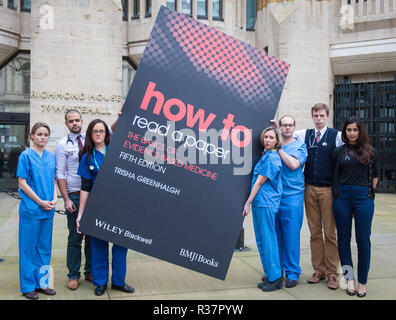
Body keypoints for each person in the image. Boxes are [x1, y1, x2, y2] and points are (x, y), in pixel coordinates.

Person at [76, 119, 134, 296]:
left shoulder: (118, 151)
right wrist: (81, 214)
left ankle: (118, 282)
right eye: (95, 131)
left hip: (119, 205)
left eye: (101, 131)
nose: (99, 134)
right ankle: (100, 283)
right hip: (97, 206)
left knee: (120, 246)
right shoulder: (87, 156)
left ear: (107, 134)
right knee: (99, 246)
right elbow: (85, 187)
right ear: (90, 135)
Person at [293, 103, 342, 290]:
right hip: (309, 189)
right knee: (314, 233)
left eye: (322, 115)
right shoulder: (305, 135)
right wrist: (274, 127)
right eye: (316, 115)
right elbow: (286, 134)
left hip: (328, 190)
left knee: (330, 233)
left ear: (327, 116)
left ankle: (332, 273)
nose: (319, 118)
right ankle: (318, 270)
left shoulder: (336, 136)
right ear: (312, 116)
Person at [332, 117, 378, 298]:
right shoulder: (338, 152)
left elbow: (375, 176)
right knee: (343, 239)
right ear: (344, 132)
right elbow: (335, 174)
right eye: (349, 130)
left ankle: (362, 282)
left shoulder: (371, 152)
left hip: (363, 199)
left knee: (363, 240)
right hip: (342, 198)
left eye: (355, 130)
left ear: (360, 131)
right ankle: (349, 279)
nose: (352, 133)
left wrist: (366, 194)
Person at [16, 122, 57, 300]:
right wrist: (40, 201)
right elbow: (22, 183)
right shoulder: (25, 156)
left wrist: (55, 197)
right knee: (28, 249)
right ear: (32, 136)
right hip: (32, 210)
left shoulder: (50, 156)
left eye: (45, 134)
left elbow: (52, 179)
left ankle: (43, 283)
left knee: (44, 249)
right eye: (39, 134)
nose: (42, 137)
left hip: (48, 210)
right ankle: (27, 286)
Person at [54, 109, 92, 290]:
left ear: (82, 121)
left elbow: (110, 131)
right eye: (71, 121)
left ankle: (90, 271)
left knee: (93, 237)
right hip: (75, 196)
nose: (75, 123)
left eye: (77, 120)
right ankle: (73, 275)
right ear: (66, 124)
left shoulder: (91, 139)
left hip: (93, 195)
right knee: (75, 238)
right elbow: (60, 174)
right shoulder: (62, 144)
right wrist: (66, 199)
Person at [243, 127, 283, 292]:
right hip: (260, 202)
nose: (267, 140)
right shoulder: (266, 156)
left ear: (276, 141)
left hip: (265, 202)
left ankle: (275, 278)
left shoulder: (272, 158)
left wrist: (247, 203)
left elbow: (259, 182)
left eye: (271, 137)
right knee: (261, 240)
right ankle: (270, 274)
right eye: (265, 137)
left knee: (268, 240)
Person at [275, 115, 307, 288]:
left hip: (292, 196)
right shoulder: (272, 144)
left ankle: (292, 273)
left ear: (294, 128)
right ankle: (276, 271)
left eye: (290, 125)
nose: (287, 128)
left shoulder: (300, 146)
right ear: (280, 127)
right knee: (276, 236)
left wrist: (278, 150)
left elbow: (294, 165)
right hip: (274, 196)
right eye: (284, 125)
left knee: (291, 236)